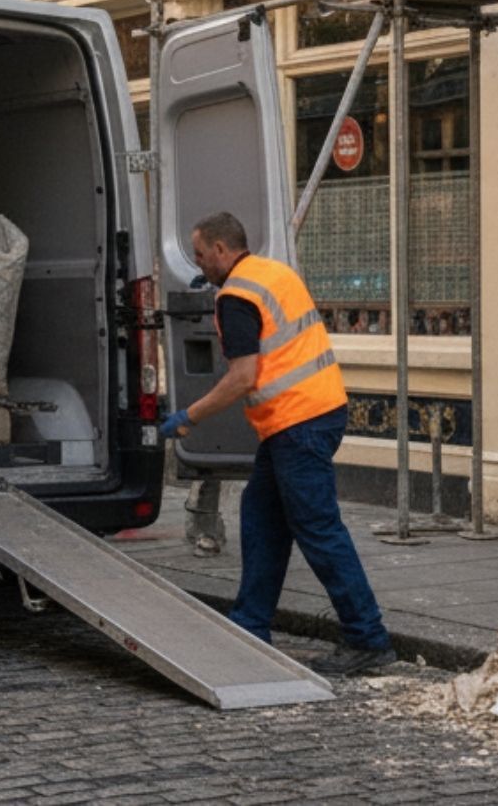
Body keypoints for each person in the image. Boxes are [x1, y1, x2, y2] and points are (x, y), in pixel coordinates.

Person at [159, 211, 395, 677]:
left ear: (223, 251)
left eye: (202, 254)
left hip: (297, 421)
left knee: (318, 529)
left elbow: (243, 376)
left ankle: (367, 638)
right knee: (262, 517)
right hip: (315, 411)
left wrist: (189, 417)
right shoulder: (273, 272)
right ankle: (250, 623)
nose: (199, 264)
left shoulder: (237, 296)